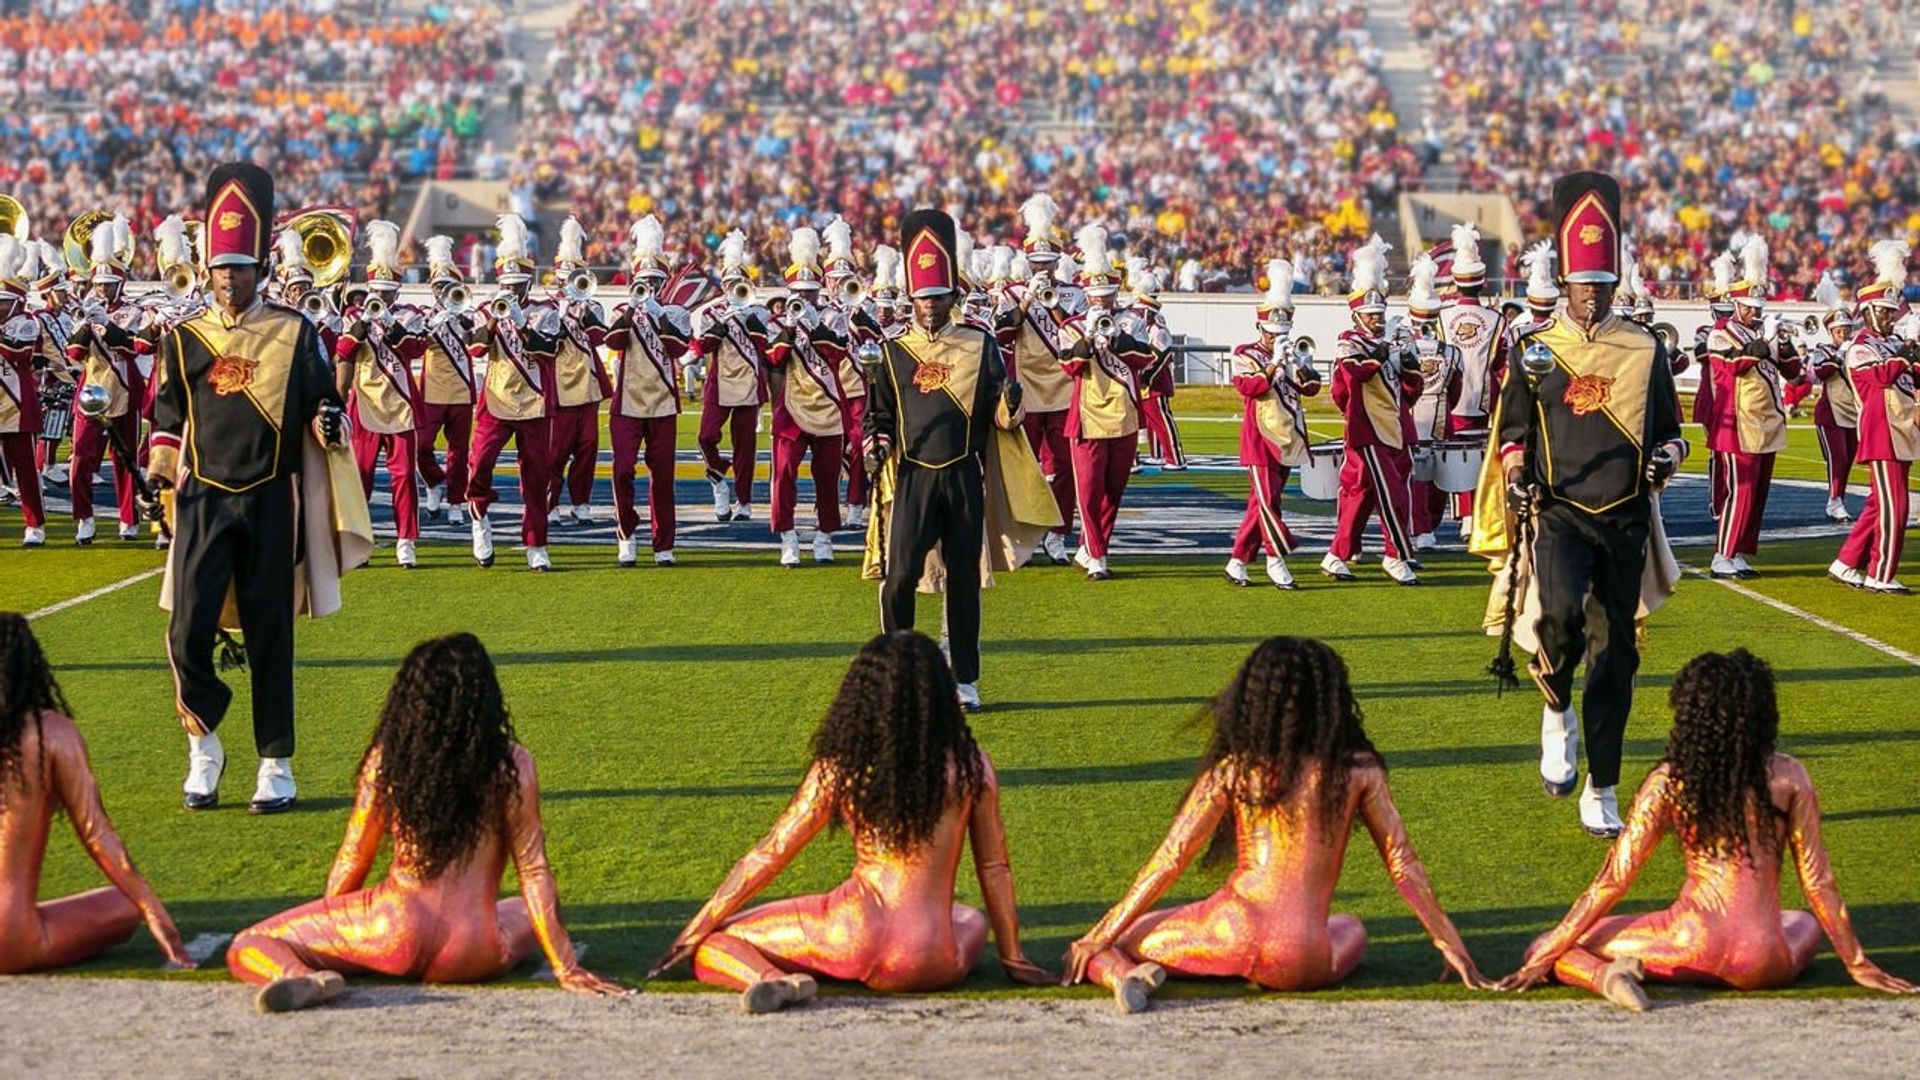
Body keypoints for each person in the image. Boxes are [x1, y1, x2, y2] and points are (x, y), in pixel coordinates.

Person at [1062, 637, 1490, 1012]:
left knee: (1116, 940)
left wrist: (1102, 932)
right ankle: (1126, 969)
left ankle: (1122, 976)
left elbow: (1172, 858)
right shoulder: (1359, 770)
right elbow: (1403, 864)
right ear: (1331, 702)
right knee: (1351, 927)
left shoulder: (1234, 770)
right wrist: (1449, 942)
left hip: (1231, 930)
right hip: (1303, 957)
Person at [651, 631, 1053, 1012]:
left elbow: (771, 854)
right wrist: (1013, 956)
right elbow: (994, 867)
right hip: (935, 958)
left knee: (716, 942)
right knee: (969, 918)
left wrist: (698, 927)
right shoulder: (971, 766)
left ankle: (774, 980)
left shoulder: (841, 768)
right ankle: (789, 977)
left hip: (850, 936)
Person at [226, 633, 628, 1013]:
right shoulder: (512, 764)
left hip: (391, 932)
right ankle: (319, 969)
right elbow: (534, 870)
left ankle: (300, 975)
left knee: (249, 942)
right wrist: (565, 966)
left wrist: (333, 930)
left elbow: (354, 855)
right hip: (472, 950)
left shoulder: (388, 759)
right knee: (527, 909)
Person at [1499, 649, 1918, 1009]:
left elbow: (1614, 880)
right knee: (1803, 921)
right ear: (1762, 715)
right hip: (1764, 960)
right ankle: (1612, 970)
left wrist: (1549, 952)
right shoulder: (1790, 776)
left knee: (1546, 944)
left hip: (1689, 943)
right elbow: (1818, 882)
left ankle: (1605, 978)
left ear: (1689, 715)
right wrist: (1858, 963)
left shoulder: (1669, 781)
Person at [149, 163, 372, 814]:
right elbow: (168, 414)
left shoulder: (296, 332)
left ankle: (276, 762)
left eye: (241, 268)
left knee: (271, 633)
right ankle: (204, 742)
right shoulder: (183, 338)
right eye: (221, 267)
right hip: (203, 499)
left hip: (273, 498)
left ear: (260, 269)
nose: (229, 278)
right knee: (186, 630)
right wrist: (159, 473)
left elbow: (322, 402)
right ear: (208, 268)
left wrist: (326, 419)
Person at [1473, 172, 1686, 838]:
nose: (1592, 293)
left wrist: (1667, 459)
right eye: (1583, 282)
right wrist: (1516, 476)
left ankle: (1603, 785)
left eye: (1603, 282)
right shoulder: (1534, 349)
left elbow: (1673, 432)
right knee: (1558, 622)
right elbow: (1512, 433)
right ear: (1563, 282)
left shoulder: (1646, 348)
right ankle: (1556, 712)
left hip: (1624, 515)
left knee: (1615, 656)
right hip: (1559, 511)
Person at [860, 208, 1056, 711]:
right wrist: (874, 446)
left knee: (964, 580)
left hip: (965, 474)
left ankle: (964, 677)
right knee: (900, 576)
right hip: (914, 477)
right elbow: (877, 417)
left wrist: (1011, 402)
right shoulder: (891, 351)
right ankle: (897, 673)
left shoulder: (980, 344)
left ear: (953, 297)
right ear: (912, 298)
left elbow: (1000, 417)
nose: (931, 305)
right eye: (924, 297)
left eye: (939, 296)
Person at [0, 612, 194, 973]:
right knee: (125, 905)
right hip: (11, 937)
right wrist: (153, 911)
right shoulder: (50, 732)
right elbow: (98, 836)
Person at [466, 213, 561, 571]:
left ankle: (536, 543)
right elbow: (476, 349)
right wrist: (495, 316)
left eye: (518, 285)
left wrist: (521, 321)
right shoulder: (484, 309)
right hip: (496, 399)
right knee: (479, 463)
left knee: (536, 476)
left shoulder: (547, 312)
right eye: (507, 284)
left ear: (528, 284)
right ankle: (479, 518)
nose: (512, 291)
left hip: (534, 401)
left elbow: (547, 351)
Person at [1059, 225, 1154, 581]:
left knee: (1113, 491)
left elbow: (1145, 358)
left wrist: (1115, 340)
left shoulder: (1131, 322)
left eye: (1107, 296)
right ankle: (1097, 555)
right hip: (1087, 418)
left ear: (1116, 293)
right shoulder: (1071, 326)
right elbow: (1069, 366)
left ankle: (1093, 546)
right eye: (1095, 297)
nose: (1101, 303)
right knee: (1088, 491)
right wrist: (1088, 338)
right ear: (1087, 295)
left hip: (1124, 416)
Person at [1325, 234, 1422, 585]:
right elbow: (1355, 373)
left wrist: (1408, 358)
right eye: (1371, 315)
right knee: (1391, 494)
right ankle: (1396, 555)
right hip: (1367, 429)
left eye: (1380, 314)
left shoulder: (1387, 342)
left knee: (1363, 496)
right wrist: (1383, 352)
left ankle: (1336, 554)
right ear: (1358, 316)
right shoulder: (1348, 341)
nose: (1378, 320)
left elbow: (1411, 390)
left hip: (1394, 427)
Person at [333, 220, 427, 569]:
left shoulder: (410, 315)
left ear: (397, 292)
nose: (382, 297)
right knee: (360, 476)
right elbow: (342, 353)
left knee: (404, 476)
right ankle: (360, 542)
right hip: (365, 403)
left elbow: (414, 349)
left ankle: (406, 541)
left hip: (401, 404)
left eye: (388, 292)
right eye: (377, 291)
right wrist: (359, 327)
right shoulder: (354, 315)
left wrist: (388, 322)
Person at [1703, 236, 1799, 579]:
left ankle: (1740, 551)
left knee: (1757, 494)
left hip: (1766, 421)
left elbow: (1793, 372)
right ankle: (1722, 555)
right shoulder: (1720, 333)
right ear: (1736, 304)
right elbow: (1733, 366)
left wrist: (1783, 342)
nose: (1755, 312)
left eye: (1758, 307)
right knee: (1739, 491)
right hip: (1737, 424)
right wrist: (1765, 340)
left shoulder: (1761, 333)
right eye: (1749, 307)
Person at [601, 216, 694, 567]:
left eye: (655, 281)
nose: (650, 287)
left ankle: (663, 543)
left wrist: (658, 314)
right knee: (622, 470)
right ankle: (626, 534)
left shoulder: (677, 313)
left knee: (663, 478)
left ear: (664, 282)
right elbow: (612, 341)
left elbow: (678, 347)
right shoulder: (623, 309)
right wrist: (633, 310)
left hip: (663, 403)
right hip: (627, 402)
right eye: (645, 281)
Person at [1829, 240, 1919, 595]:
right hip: (1882, 432)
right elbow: (1881, 377)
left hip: (1900, 431)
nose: (1889, 317)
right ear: (1867, 312)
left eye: (1891, 311)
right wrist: (1904, 355)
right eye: (1883, 311)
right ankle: (1880, 573)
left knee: (1877, 506)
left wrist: (1913, 355)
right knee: (1895, 507)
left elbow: (1909, 378)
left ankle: (1845, 562)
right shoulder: (1859, 347)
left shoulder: (1891, 345)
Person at [1224, 258, 1320, 590]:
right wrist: (1272, 365)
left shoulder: (1292, 353)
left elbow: (1311, 389)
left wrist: (1302, 365)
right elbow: (1248, 387)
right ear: (1260, 328)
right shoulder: (1245, 353)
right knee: (1266, 503)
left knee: (1264, 503)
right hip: (1260, 439)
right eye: (1272, 333)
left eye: (1282, 333)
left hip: (1289, 436)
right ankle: (1275, 559)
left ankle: (1237, 560)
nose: (1277, 337)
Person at [993, 194, 1077, 566]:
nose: (1042, 267)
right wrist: (1026, 301)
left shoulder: (1075, 294)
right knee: (1024, 468)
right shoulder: (1011, 293)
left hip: (1064, 390)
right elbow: (1002, 333)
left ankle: (1057, 533)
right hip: (1025, 390)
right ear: (1027, 262)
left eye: (1047, 261)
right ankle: (1024, 533)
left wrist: (1053, 304)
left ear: (1058, 261)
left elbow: (1076, 337)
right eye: (1036, 262)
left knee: (1065, 467)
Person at [766, 227, 850, 566]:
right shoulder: (776, 321)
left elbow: (837, 353)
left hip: (828, 406)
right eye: (798, 292)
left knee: (828, 478)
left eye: (810, 292)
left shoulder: (834, 317)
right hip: (791, 407)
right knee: (784, 474)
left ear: (819, 291)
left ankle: (824, 536)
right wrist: (790, 327)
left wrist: (815, 325)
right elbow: (773, 357)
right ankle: (787, 536)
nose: (805, 297)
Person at [63, 215, 147, 545]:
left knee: (125, 459)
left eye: (108, 284)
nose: (102, 289)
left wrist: (107, 324)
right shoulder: (86, 308)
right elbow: (74, 353)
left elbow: (132, 347)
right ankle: (84, 519)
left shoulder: (134, 311)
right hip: (91, 391)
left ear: (120, 284)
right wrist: (86, 324)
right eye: (99, 284)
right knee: (81, 457)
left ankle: (128, 519)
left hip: (124, 389)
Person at [695, 230, 773, 523]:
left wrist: (752, 323)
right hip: (720, 382)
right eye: (729, 284)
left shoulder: (760, 313)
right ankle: (717, 473)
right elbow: (702, 346)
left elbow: (766, 346)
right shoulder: (712, 313)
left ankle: (744, 500)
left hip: (749, 383)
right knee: (706, 436)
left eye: (739, 284)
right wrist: (718, 329)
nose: (734, 289)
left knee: (745, 446)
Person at [1437, 223, 1507, 538]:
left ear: (1456, 282)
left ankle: (1462, 514)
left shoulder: (1441, 317)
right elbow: (1503, 365)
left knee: (1455, 456)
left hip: (1449, 398)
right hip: (1483, 397)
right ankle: (1478, 514)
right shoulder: (1497, 319)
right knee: (1480, 456)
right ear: (1482, 283)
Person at [543, 216, 612, 528]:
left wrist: (583, 315)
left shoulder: (593, 307)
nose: (569, 285)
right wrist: (559, 316)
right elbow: (545, 344)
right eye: (564, 279)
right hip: (558, 386)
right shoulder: (546, 308)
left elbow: (600, 339)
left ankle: (581, 502)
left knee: (587, 449)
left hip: (587, 384)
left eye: (574, 279)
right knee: (555, 451)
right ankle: (550, 502)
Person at [414, 235, 479, 530]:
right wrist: (433, 321)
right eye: (438, 287)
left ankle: (455, 502)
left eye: (447, 286)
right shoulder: (424, 314)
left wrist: (460, 318)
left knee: (459, 451)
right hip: (431, 390)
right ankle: (434, 482)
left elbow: (475, 341)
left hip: (461, 390)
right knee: (421, 446)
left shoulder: (468, 313)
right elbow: (417, 344)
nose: (442, 292)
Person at [1405, 253, 1462, 551]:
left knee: (1412, 477)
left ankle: (1418, 527)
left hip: (1410, 418)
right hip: (1441, 415)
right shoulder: (1452, 352)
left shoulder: (1399, 349)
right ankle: (1429, 527)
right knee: (1437, 478)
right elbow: (1457, 389)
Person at [0, 237, 49, 547]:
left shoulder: (27, 322)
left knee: (27, 471)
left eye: (3, 301)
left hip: (18, 407)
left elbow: (18, 352)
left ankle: (35, 525)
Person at [1805, 272, 1859, 524]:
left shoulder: (1856, 349)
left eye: (1846, 330)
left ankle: (1838, 500)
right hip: (1830, 413)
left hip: (1852, 411)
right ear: (1831, 332)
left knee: (1848, 460)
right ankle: (1834, 499)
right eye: (1839, 331)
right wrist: (1840, 356)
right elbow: (1822, 372)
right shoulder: (1823, 349)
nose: (1843, 335)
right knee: (1838, 457)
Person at [1124, 256, 1183, 470]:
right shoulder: (1145, 319)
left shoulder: (1154, 323)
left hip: (1153, 380)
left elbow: (1161, 353)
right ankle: (1157, 455)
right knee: (1149, 419)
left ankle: (1175, 458)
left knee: (1161, 419)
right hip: (1143, 378)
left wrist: (1145, 377)